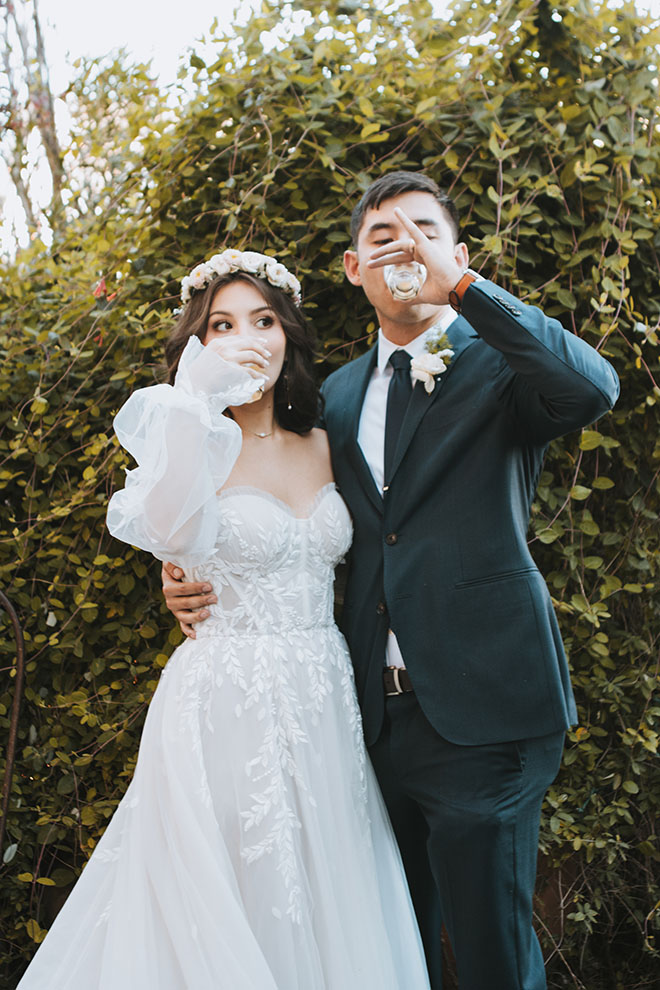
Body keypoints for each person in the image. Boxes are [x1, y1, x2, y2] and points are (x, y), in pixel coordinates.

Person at [163, 173, 620, 989]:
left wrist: (466, 291)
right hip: (362, 726)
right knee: (388, 952)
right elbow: (260, 512)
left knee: (492, 958)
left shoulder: (502, 369)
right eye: (383, 234)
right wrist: (188, 575)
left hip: (483, 718)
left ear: (456, 251)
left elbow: (591, 388)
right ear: (351, 267)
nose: (403, 244)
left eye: (423, 229)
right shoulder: (330, 401)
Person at [17, 249, 431, 990]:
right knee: (235, 881)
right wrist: (193, 402)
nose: (248, 338)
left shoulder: (329, 442)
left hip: (325, 692)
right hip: (225, 699)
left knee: (328, 883)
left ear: (289, 335)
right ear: (198, 345)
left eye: (264, 320)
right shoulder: (193, 441)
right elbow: (173, 531)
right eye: (223, 325)